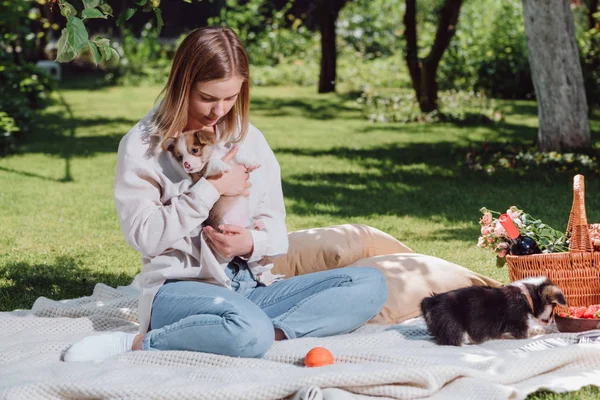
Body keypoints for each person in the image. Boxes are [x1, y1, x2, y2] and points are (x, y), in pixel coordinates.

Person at [62, 27, 388, 362]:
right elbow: (144, 236)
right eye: (207, 97)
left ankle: (249, 332)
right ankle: (137, 343)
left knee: (370, 284)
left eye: (230, 97)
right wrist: (212, 188)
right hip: (179, 288)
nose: (219, 110)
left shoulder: (249, 139)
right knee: (249, 328)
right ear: (182, 85)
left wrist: (249, 243)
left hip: (250, 288)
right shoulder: (142, 146)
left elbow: (276, 230)